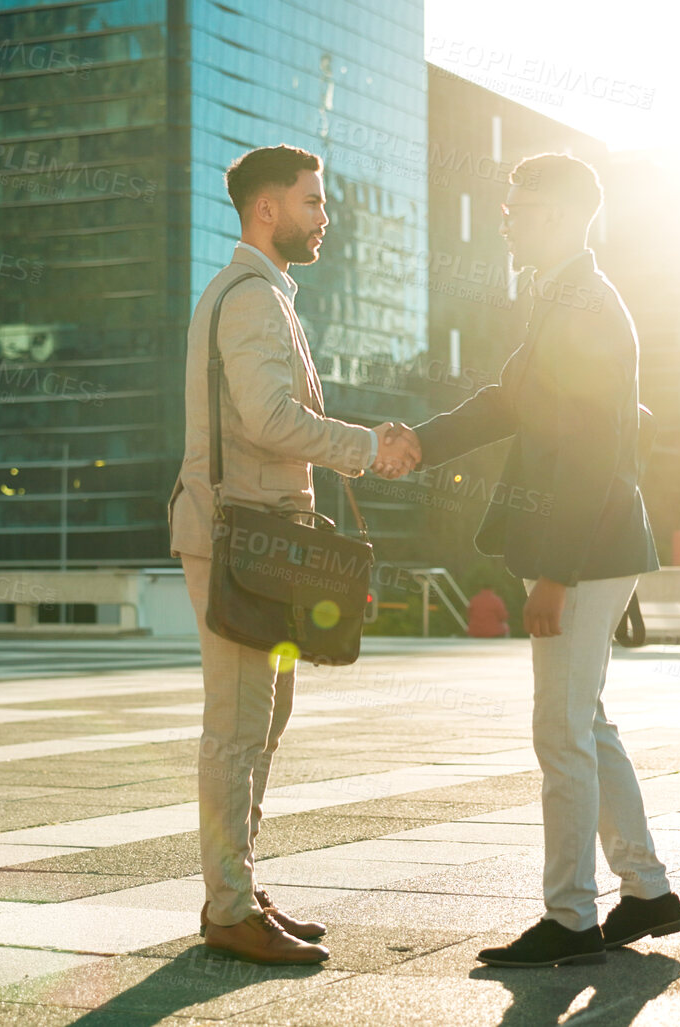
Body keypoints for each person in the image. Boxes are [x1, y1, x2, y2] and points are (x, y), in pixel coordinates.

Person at [387, 153, 680, 967]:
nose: (505, 220)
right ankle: (648, 890)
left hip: (582, 551)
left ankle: (570, 917)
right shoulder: (559, 298)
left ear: (554, 214)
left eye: (515, 208)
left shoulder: (584, 305)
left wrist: (554, 569)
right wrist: (420, 442)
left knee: (559, 730)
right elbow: (507, 401)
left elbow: (594, 454)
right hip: (587, 545)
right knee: (584, 721)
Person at [166, 144, 418, 965]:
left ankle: (238, 885)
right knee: (236, 726)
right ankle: (227, 906)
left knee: (262, 722)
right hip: (237, 538)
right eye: (312, 203)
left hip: (266, 545)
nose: (324, 218)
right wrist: (363, 444)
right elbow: (271, 420)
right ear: (266, 210)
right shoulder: (248, 299)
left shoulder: (264, 294)